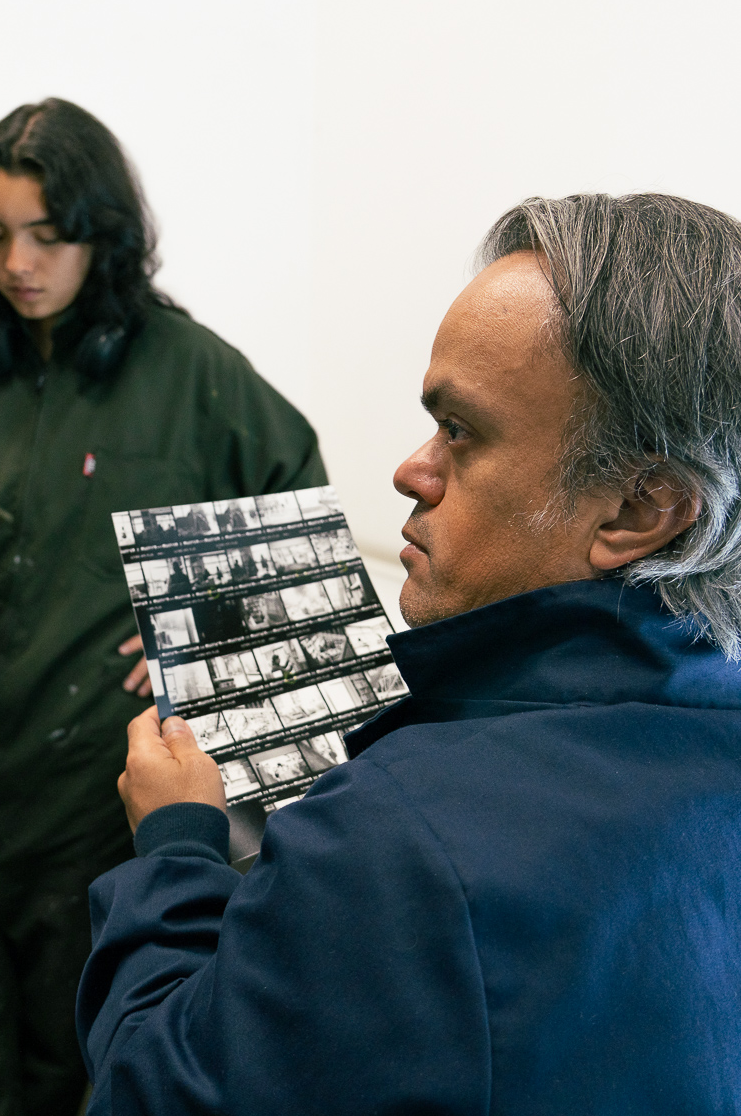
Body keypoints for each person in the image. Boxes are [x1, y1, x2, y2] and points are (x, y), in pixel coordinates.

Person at [77, 193, 741, 1114]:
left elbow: (154, 1094)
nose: (411, 470)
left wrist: (176, 848)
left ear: (636, 510)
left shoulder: (394, 839)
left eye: (462, 432)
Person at [0, 97, 327, 1116]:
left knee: (68, 1055)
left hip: (91, 784)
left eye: (46, 235)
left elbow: (302, 530)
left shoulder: (192, 372)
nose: (17, 262)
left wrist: (200, 625)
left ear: (101, 234)